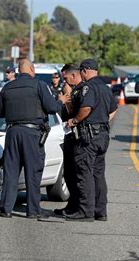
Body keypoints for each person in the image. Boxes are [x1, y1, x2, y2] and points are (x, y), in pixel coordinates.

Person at [0, 59, 69, 219]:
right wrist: (60, 102)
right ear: (31, 69)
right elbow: (51, 108)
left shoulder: (7, 87)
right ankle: (33, 210)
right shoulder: (39, 85)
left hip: (12, 133)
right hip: (32, 134)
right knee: (33, 172)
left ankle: (6, 209)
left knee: (11, 172)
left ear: (18, 71)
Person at [64, 59, 118, 222]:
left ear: (85, 70)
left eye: (81, 71)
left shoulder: (89, 87)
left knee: (84, 172)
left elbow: (86, 108)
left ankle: (86, 211)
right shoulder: (105, 88)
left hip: (88, 137)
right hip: (102, 135)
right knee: (98, 174)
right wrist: (102, 122)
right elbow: (114, 109)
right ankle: (100, 211)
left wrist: (75, 121)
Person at [53, 64, 85, 216]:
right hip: (67, 134)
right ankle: (72, 205)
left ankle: (79, 207)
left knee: (76, 174)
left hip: (77, 136)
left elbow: (74, 113)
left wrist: (66, 99)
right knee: (69, 173)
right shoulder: (74, 89)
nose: (64, 82)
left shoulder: (81, 90)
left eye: (65, 78)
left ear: (73, 75)